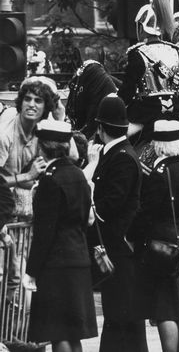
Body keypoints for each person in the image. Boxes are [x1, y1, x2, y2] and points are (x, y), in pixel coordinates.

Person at [24, 119, 97, 352]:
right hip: (79, 258)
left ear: (43, 146)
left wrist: (31, 272)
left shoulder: (49, 180)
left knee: (59, 334)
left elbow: (44, 233)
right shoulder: (78, 175)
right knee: (73, 334)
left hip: (56, 264)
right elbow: (85, 219)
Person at [86, 93, 147, 352]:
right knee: (120, 319)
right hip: (117, 249)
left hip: (117, 249)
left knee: (120, 320)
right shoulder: (120, 152)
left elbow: (110, 205)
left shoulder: (120, 157)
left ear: (100, 129)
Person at [130, 120, 179, 352]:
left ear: (158, 144)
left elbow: (146, 212)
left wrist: (132, 234)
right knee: (178, 307)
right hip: (178, 238)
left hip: (158, 240)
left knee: (164, 308)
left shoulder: (158, 173)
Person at [118, 0, 179, 139]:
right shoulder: (177, 51)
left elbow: (128, 91)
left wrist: (117, 104)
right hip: (175, 115)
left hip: (145, 118)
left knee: (117, 142)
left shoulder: (137, 53)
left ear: (142, 27)